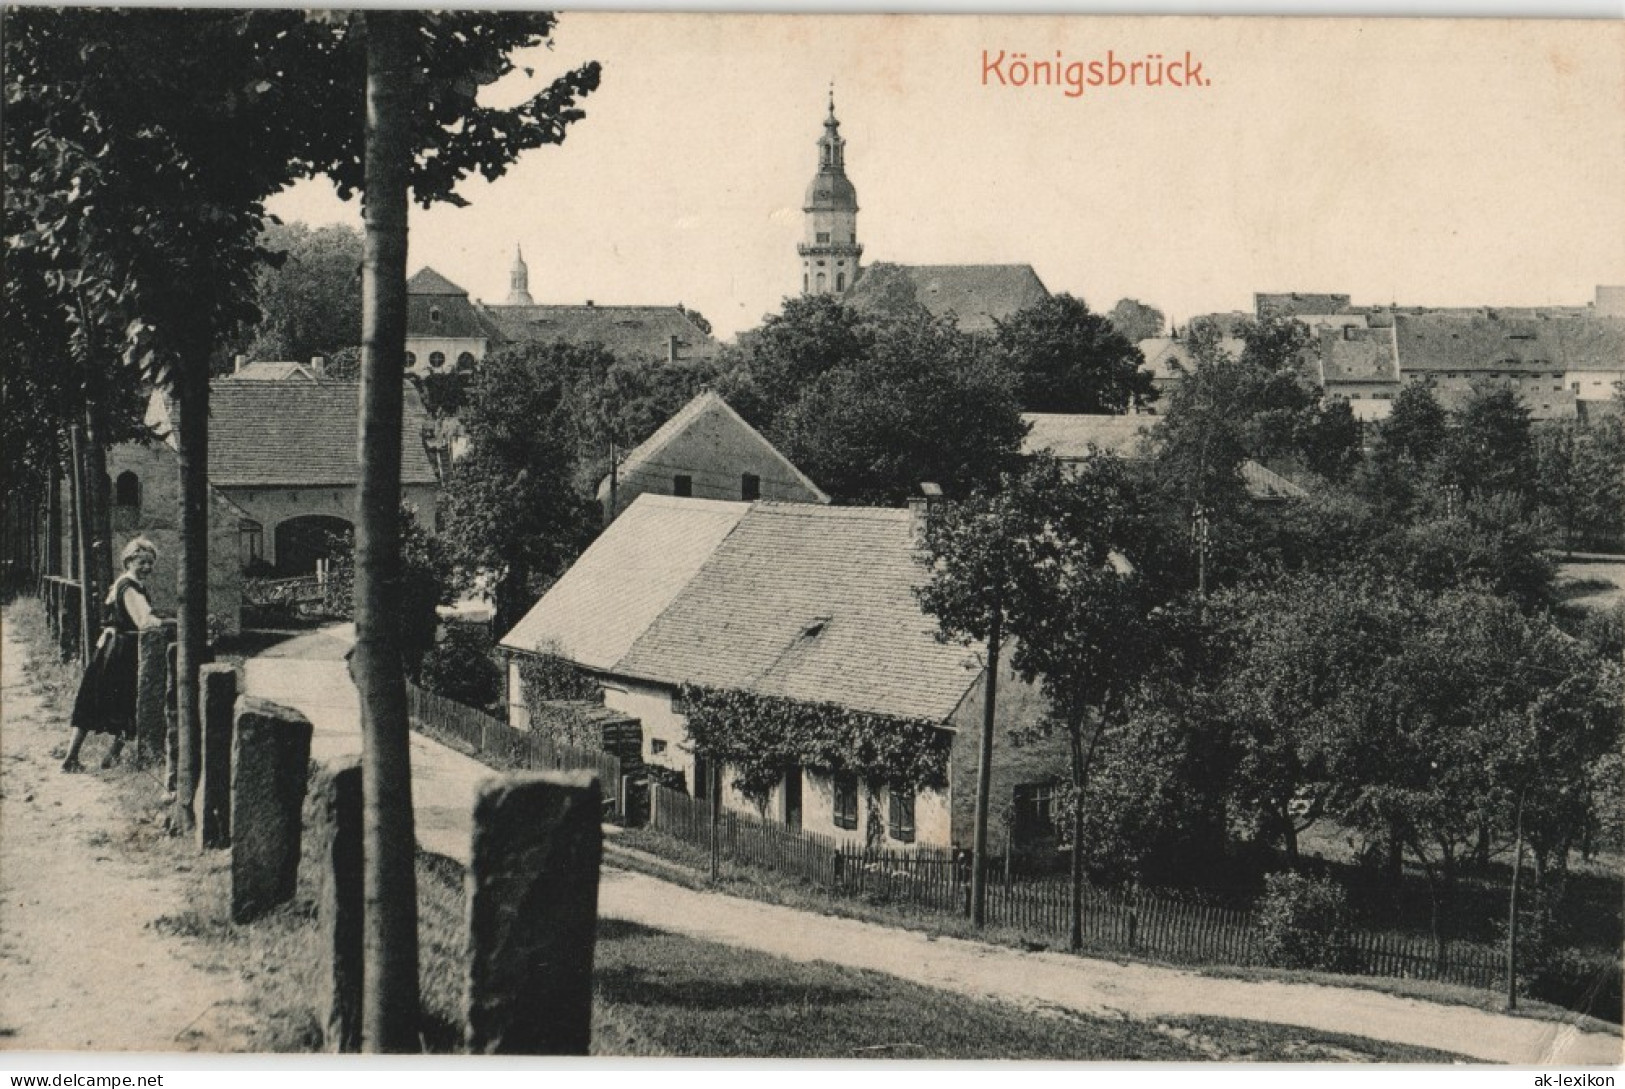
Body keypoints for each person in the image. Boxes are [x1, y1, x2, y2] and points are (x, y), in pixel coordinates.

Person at [61, 537, 163, 772]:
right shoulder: (129, 588)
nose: (147, 568)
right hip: (121, 651)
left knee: (98, 700)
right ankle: (88, 757)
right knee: (128, 700)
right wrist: (164, 622)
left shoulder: (126, 584)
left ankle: (96, 756)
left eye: (150, 563)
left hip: (110, 648)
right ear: (128, 561)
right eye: (142, 562)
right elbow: (144, 622)